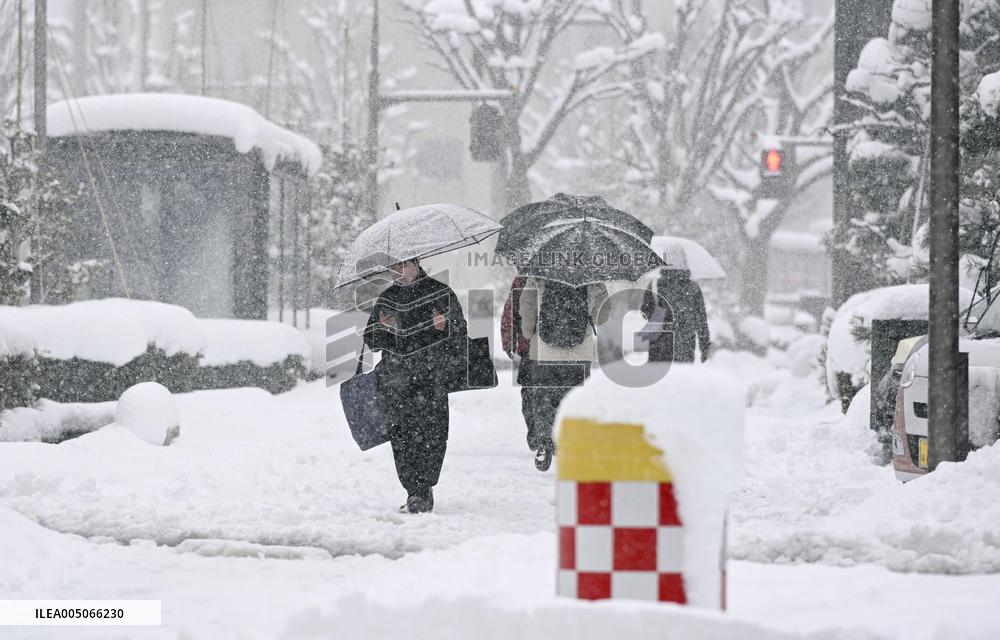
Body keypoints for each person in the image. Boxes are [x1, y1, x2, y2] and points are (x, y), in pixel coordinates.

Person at [362, 258, 467, 513]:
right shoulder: (387, 299)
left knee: (433, 434)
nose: (398, 272)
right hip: (396, 382)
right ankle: (414, 491)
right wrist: (383, 328)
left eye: (403, 265)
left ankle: (425, 486)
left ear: (417, 263)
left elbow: (461, 333)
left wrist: (444, 326)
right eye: (393, 268)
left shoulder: (439, 292)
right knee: (402, 437)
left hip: (431, 380)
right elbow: (372, 341)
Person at [518, 277, 610, 471]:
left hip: (545, 351)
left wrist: (528, 332)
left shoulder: (539, 273)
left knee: (543, 398)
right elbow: (602, 316)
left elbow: (526, 305)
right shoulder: (592, 276)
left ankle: (544, 443)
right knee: (575, 400)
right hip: (579, 353)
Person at [640, 264, 711, 363]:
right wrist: (705, 346)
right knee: (681, 376)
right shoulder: (693, 287)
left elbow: (644, 311)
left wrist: (659, 314)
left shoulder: (654, 285)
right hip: (685, 346)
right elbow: (701, 319)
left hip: (659, 345)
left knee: (661, 375)